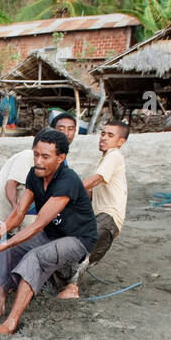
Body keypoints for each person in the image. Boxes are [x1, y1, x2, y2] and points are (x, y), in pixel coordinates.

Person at [0, 128, 96, 335]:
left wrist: (4, 243)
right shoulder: (34, 175)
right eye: (36, 155)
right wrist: (0, 233)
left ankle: (11, 323)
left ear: (61, 158)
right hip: (51, 233)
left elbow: (38, 224)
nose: (39, 161)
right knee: (4, 250)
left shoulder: (67, 180)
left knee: (35, 257)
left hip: (77, 239)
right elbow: (20, 212)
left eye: (45, 156)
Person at [58, 121, 128, 300]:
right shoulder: (106, 160)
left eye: (110, 135)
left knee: (83, 247)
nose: (104, 137)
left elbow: (95, 180)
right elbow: (90, 192)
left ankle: (72, 289)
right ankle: (68, 285)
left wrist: (67, 190)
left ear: (121, 142)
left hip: (109, 215)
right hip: (103, 217)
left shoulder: (114, 155)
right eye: (103, 133)